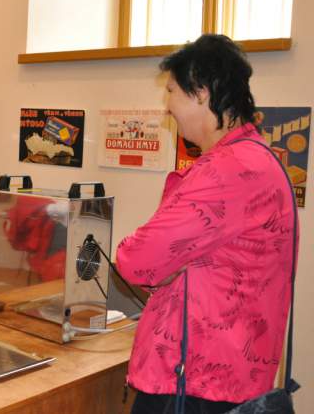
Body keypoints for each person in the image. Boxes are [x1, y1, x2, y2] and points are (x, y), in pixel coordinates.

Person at [116, 34, 298, 414]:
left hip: (194, 383)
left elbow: (136, 260)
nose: (167, 107)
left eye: (171, 92)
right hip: (231, 376)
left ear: (201, 92)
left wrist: (165, 269)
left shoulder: (227, 170)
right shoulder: (260, 157)